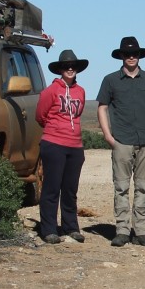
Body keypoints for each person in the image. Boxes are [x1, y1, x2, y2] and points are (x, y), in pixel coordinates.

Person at [97, 36, 145, 248]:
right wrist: (108, 136)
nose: (131, 57)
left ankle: (142, 231)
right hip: (122, 140)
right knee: (122, 187)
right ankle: (122, 231)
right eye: (127, 54)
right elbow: (102, 107)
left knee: (143, 187)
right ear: (121, 56)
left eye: (134, 53)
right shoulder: (110, 80)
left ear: (139, 55)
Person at [36, 50, 89, 244]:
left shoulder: (80, 91)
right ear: (60, 69)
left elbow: (78, 113)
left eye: (73, 66)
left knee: (70, 189)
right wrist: (55, 130)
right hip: (54, 143)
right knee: (52, 187)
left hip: (75, 146)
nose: (70, 69)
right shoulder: (50, 91)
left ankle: (71, 227)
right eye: (66, 66)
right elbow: (40, 115)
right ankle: (49, 229)